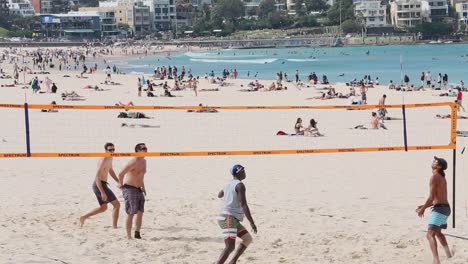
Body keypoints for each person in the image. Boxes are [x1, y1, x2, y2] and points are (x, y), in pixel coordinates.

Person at [217, 164, 257, 264]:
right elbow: (244, 204)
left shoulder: (228, 184)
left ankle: (233, 261)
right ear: (238, 172)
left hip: (231, 219)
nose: (244, 173)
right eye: (243, 171)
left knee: (247, 239)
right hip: (228, 218)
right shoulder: (240, 185)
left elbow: (219, 195)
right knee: (230, 247)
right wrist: (252, 222)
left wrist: (228, 191)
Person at [416, 157, 453, 264]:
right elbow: (437, 199)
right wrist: (424, 206)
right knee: (438, 233)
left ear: (439, 166)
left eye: (436, 161)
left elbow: (431, 198)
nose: (433, 161)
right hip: (445, 209)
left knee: (430, 234)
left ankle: (436, 260)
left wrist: (422, 209)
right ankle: (449, 255)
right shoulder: (441, 177)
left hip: (440, 209)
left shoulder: (435, 177)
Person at [80, 143, 120, 228]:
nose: (112, 151)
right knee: (117, 205)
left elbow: (111, 170)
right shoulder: (103, 159)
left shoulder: (110, 157)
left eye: (113, 149)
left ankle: (83, 217)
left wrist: (118, 181)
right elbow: (97, 176)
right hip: (99, 184)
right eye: (110, 150)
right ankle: (114, 227)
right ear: (105, 150)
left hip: (102, 184)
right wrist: (102, 192)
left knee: (103, 208)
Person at [118, 143, 148, 239]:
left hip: (139, 189)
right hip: (130, 188)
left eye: (146, 148)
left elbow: (141, 176)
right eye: (143, 148)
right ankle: (128, 236)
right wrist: (120, 184)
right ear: (137, 150)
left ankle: (137, 233)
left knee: (140, 212)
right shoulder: (133, 161)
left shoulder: (144, 161)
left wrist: (143, 187)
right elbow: (121, 173)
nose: (146, 149)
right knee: (131, 213)